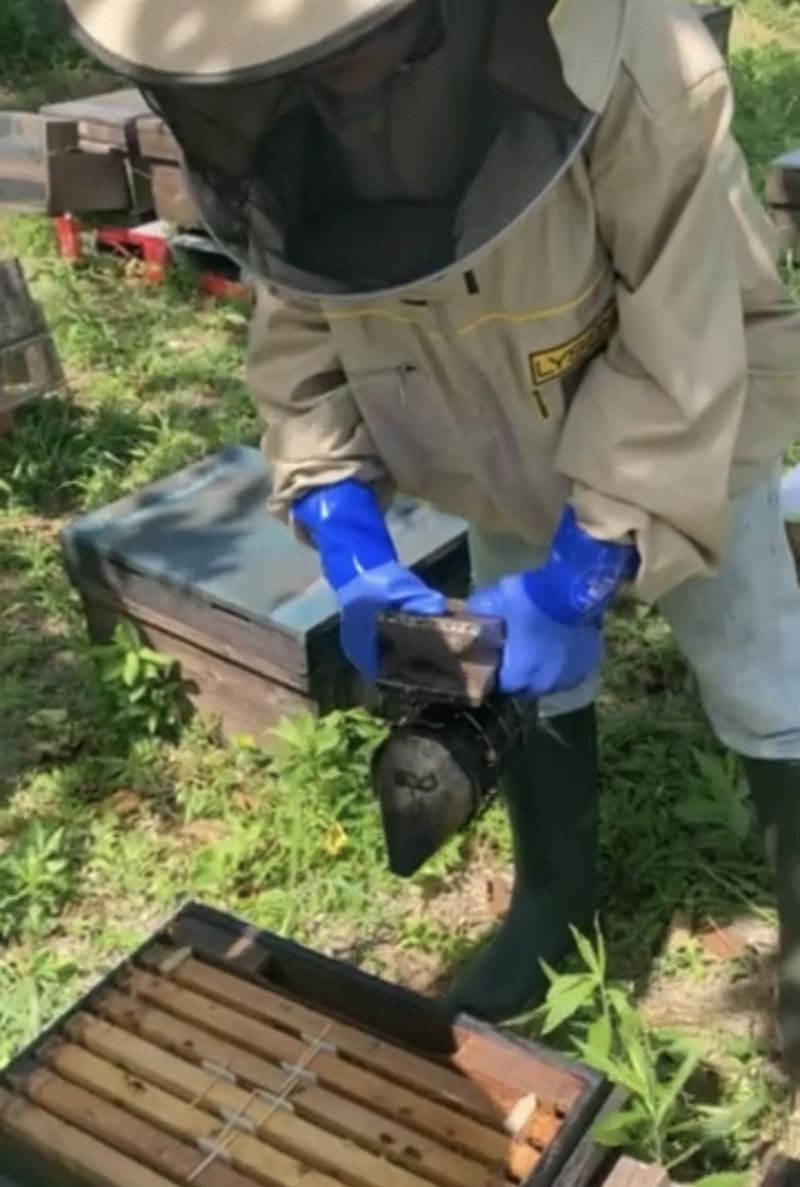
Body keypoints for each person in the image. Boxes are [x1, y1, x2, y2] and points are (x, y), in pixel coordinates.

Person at [63, 0, 800, 1059]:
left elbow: (690, 338)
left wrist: (585, 570)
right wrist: (346, 533)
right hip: (490, 441)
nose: (335, 59)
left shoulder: (641, 66)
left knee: (760, 662)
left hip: (693, 414)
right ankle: (551, 903)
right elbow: (299, 324)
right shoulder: (274, 93)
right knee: (521, 672)